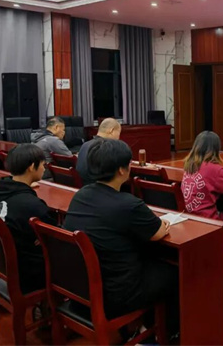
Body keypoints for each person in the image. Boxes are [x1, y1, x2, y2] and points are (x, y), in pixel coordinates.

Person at [63, 139, 177, 333]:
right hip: (116, 296)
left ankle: (142, 327)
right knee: (174, 273)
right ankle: (165, 333)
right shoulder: (128, 204)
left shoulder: (80, 195)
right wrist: (162, 224)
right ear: (122, 170)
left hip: (81, 288)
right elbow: (158, 233)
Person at [0, 144, 57, 293]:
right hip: (29, 274)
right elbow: (55, 240)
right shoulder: (32, 206)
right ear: (32, 167)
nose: (44, 168)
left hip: (3, 264)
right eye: (43, 165)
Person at [76, 118, 121, 185]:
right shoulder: (107, 148)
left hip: (84, 186)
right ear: (112, 130)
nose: (118, 138)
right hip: (100, 188)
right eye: (119, 133)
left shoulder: (85, 145)